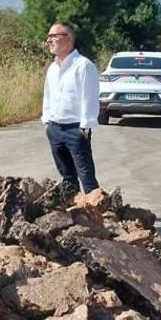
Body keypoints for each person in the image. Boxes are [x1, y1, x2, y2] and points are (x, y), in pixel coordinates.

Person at [41, 22, 100, 196]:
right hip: (55, 128)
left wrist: (85, 126)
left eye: (54, 36)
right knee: (67, 178)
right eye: (49, 37)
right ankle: (74, 207)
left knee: (86, 177)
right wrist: (47, 121)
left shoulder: (83, 65)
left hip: (75, 130)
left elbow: (89, 96)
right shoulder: (53, 68)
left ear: (68, 39)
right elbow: (48, 95)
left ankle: (98, 208)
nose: (49, 40)